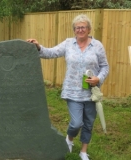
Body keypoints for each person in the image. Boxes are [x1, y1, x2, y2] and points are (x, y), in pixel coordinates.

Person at [27, 14, 109, 160]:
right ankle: (70, 138)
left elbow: (104, 67)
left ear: (89, 29)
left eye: (83, 27)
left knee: (88, 123)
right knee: (77, 123)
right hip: (72, 91)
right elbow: (51, 52)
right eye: (77, 28)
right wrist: (38, 47)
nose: (80, 30)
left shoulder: (97, 46)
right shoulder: (68, 44)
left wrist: (98, 78)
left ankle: (83, 151)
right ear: (74, 30)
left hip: (91, 93)